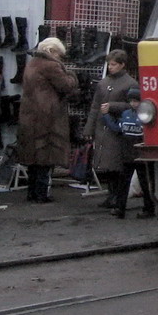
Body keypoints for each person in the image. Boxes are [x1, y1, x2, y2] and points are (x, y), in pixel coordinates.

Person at [17, 37, 78, 202]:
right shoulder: (51, 66)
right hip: (48, 115)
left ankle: (32, 192)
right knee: (46, 156)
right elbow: (66, 85)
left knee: (33, 157)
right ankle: (42, 193)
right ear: (51, 51)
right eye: (59, 54)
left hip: (30, 115)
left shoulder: (31, 64)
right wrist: (72, 75)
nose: (60, 58)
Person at [83, 49, 138, 210]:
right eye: (109, 64)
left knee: (117, 165)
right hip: (103, 127)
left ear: (122, 65)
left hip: (119, 129)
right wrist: (89, 129)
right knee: (106, 166)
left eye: (113, 64)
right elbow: (95, 107)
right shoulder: (103, 83)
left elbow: (134, 105)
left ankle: (117, 197)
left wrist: (113, 106)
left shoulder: (130, 83)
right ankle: (111, 195)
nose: (110, 67)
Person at [99, 87, 155, 219]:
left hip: (140, 155)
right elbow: (117, 128)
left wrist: (106, 116)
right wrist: (106, 116)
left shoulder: (143, 115)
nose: (133, 103)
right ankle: (120, 208)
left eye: (136, 101)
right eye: (131, 101)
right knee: (124, 183)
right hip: (127, 155)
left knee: (144, 183)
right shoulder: (126, 114)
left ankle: (148, 208)